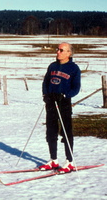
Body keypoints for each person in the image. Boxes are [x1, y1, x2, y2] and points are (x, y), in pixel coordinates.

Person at [39, 42, 81, 173]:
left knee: (66, 131)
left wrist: (65, 95)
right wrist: (45, 95)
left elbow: (76, 88)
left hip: (63, 102)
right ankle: (53, 160)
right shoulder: (52, 66)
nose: (58, 52)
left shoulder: (74, 68)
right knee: (51, 131)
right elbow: (46, 82)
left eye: (61, 50)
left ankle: (69, 162)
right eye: (58, 49)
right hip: (51, 101)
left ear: (69, 53)